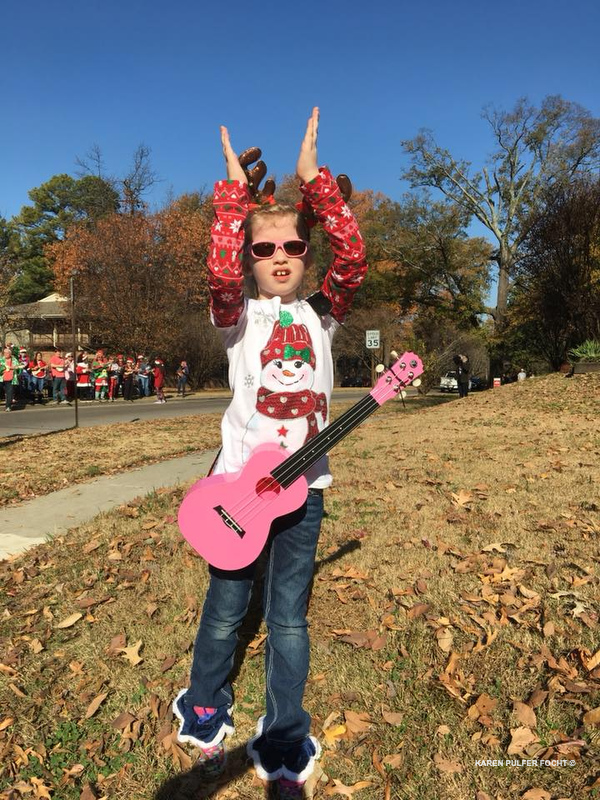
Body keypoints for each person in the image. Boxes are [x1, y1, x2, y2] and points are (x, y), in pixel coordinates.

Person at [172, 109, 368, 797]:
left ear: (304, 255)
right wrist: (233, 198)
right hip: (235, 495)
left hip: (306, 492)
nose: (278, 256)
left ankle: (284, 732)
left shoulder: (323, 314)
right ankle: (205, 700)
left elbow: (355, 259)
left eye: (291, 246)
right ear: (248, 260)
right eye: (263, 249)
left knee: (287, 616)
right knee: (227, 607)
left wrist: (317, 185)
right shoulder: (236, 318)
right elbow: (220, 269)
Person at [1, 345, 22, 411]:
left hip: (11, 378)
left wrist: (12, 367)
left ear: (10, 354)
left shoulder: (14, 360)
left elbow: (18, 366)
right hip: (1, 378)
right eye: (4, 353)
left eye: (7, 353)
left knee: (9, 392)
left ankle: (8, 406)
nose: (6, 354)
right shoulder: (1, 359)